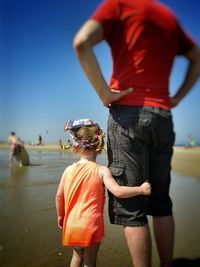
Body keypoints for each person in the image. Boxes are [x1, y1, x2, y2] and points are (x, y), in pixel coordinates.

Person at [73, 1, 200, 266]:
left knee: (132, 208)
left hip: (127, 114)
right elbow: (196, 57)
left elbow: (82, 42)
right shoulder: (168, 17)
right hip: (162, 116)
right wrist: (176, 97)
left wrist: (104, 93)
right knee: (162, 203)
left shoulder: (119, 5)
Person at [55, 119, 151, 267]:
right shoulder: (101, 170)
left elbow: (59, 196)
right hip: (90, 226)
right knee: (89, 260)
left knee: (76, 257)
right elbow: (118, 191)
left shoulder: (68, 170)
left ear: (75, 146)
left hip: (71, 224)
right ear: (99, 145)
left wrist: (61, 216)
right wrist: (141, 189)